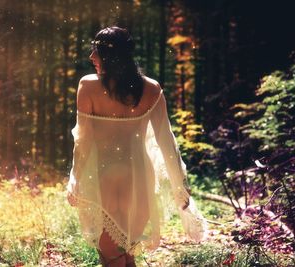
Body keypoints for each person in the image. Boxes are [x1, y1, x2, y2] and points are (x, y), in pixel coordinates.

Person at [67, 26, 206, 267]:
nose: (91, 57)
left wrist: (75, 178)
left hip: (103, 177)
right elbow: (166, 141)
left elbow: (83, 139)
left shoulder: (88, 86)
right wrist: (179, 185)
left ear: (110, 56)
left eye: (96, 52)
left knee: (112, 257)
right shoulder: (151, 89)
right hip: (139, 177)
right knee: (127, 254)